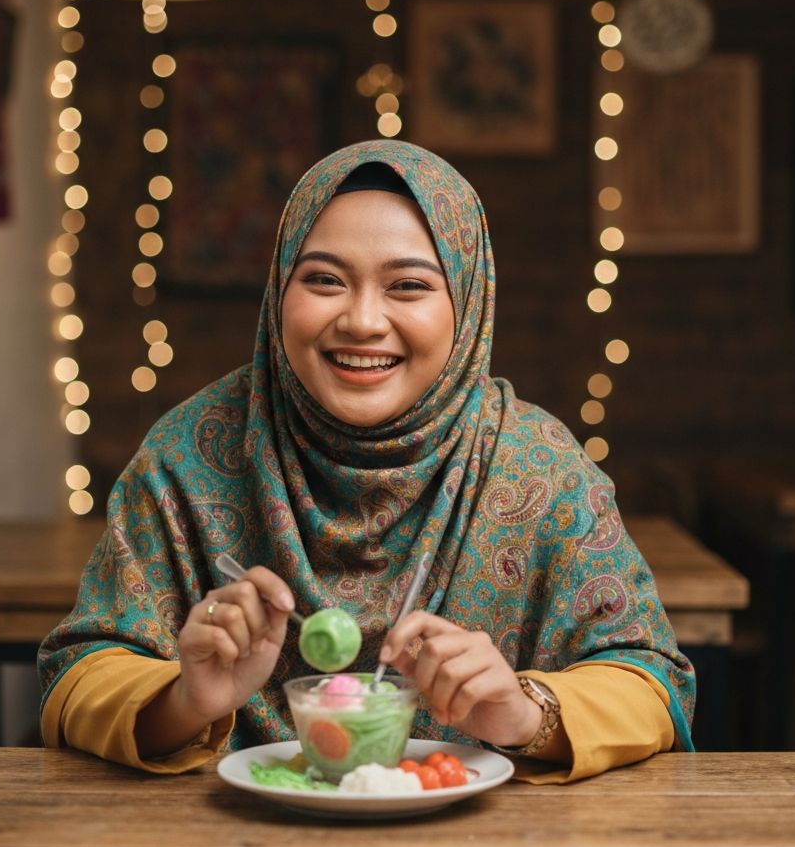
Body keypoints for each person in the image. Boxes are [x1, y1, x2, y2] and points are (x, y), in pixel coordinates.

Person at [38, 139, 694, 783]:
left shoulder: (540, 471)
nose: (361, 320)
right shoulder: (186, 459)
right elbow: (79, 675)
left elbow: (651, 683)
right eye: (324, 280)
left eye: (408, 285)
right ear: (278, 287)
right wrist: (185, 699)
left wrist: (525, 713)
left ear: (466, 305)